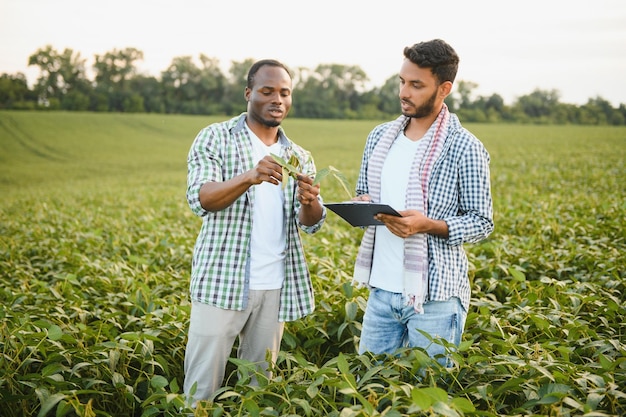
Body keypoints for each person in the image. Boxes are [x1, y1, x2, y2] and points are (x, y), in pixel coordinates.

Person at [183, 59, 326, 405]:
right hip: (222, 282)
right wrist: (250, 176)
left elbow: (310, 222)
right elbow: (201, 198)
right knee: (201, 390)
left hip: (274, 286)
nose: (278, 99)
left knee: (257, 390)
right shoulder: (216, 137)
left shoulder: (298, 156)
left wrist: (311, 202)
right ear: (248, 93)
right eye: (267, 91)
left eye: (285, 93)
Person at [352, 39, 494, 365]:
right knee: (369, 389)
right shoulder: (379, 136)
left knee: (427, 392)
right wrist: (359, 204)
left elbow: (481, 221)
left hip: (437, 296)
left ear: (444, 88)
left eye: (417, 85)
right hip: (381, 289)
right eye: (402, 81)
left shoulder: (464, 147)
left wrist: (425, 224)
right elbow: (365, 192)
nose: (404, 92)